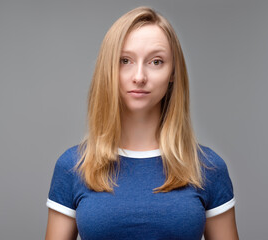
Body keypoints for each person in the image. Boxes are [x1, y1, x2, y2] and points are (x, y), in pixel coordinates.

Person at [45, 6, 239, 240]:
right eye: (125, 60)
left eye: (156, 62)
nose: (139, 76)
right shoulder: (73, 166)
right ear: (108, 69)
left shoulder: (208, 168)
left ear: (173, 73)